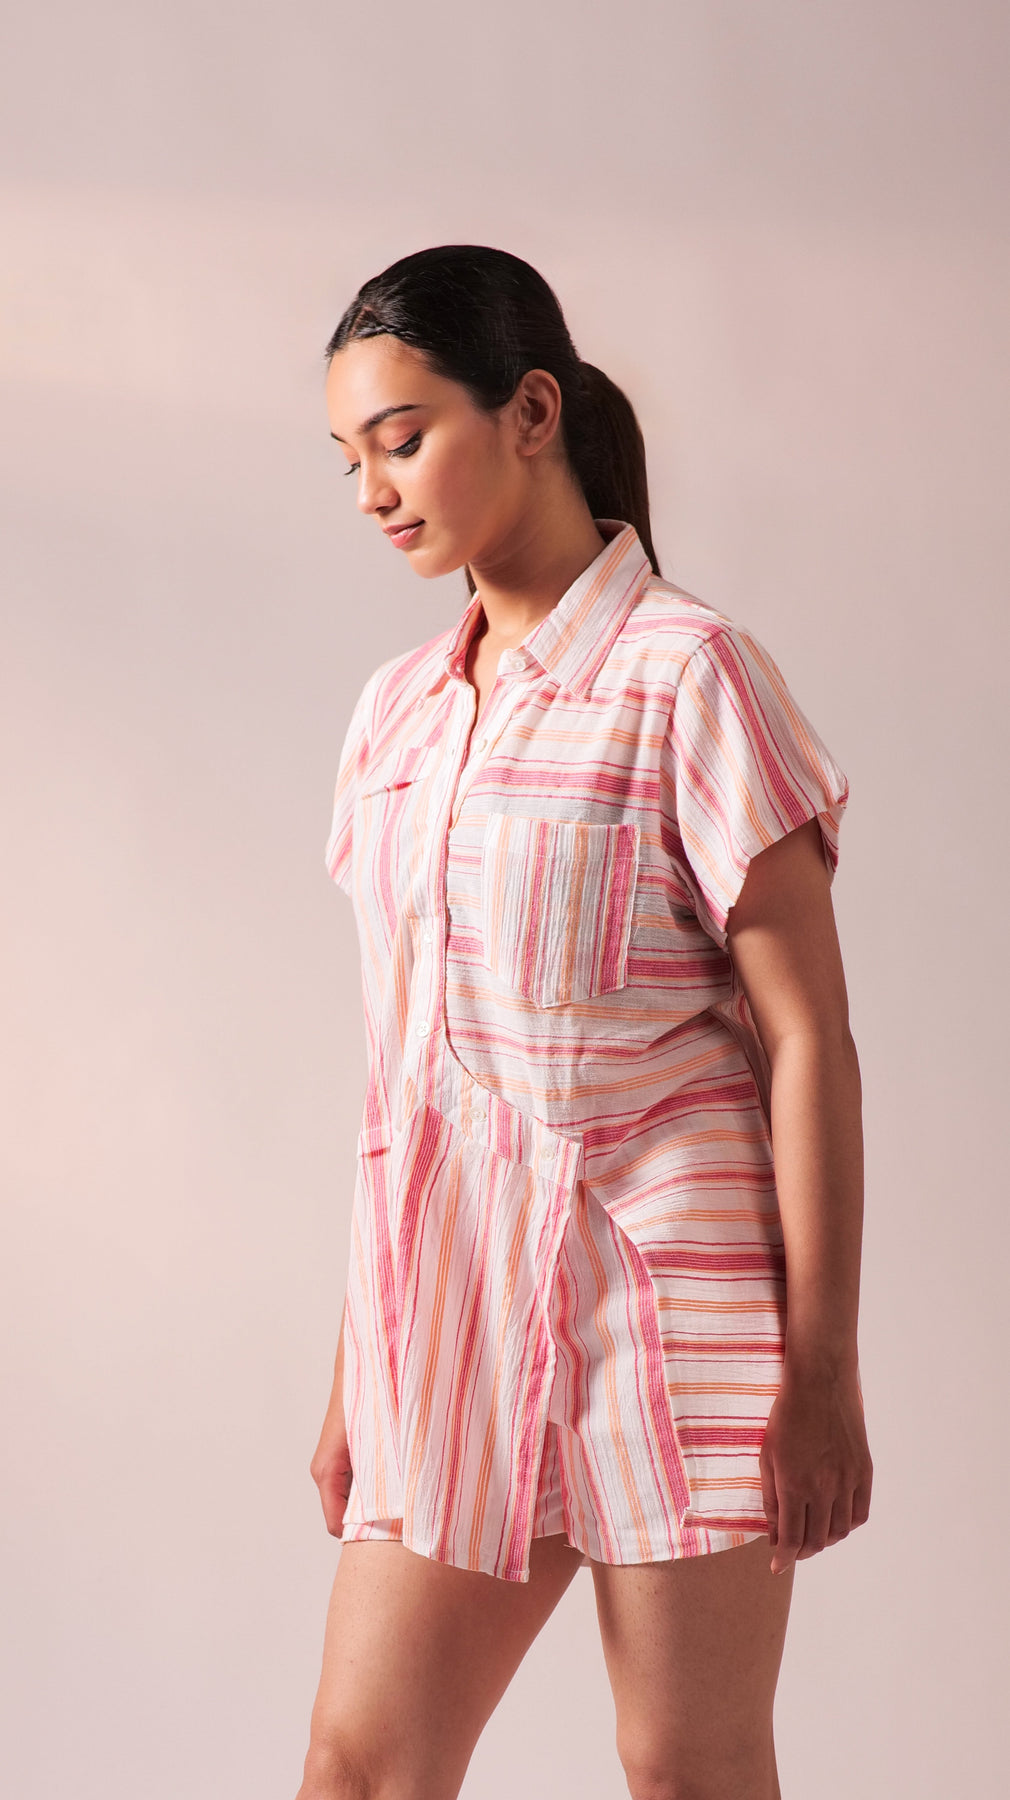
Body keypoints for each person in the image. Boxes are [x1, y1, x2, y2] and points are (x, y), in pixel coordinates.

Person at [297, 245, 872, 1800]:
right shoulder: (395, 718)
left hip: (674, 1322)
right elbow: (403, 1076)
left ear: (532, 411)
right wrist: (362, 1368)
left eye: (401, 438)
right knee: (360, 1769)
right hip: (452, 1323)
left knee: (686, 1773)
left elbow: (806, 1039)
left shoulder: (691, 677)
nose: (373, 491)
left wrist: (821, 1368)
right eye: (348, 458)